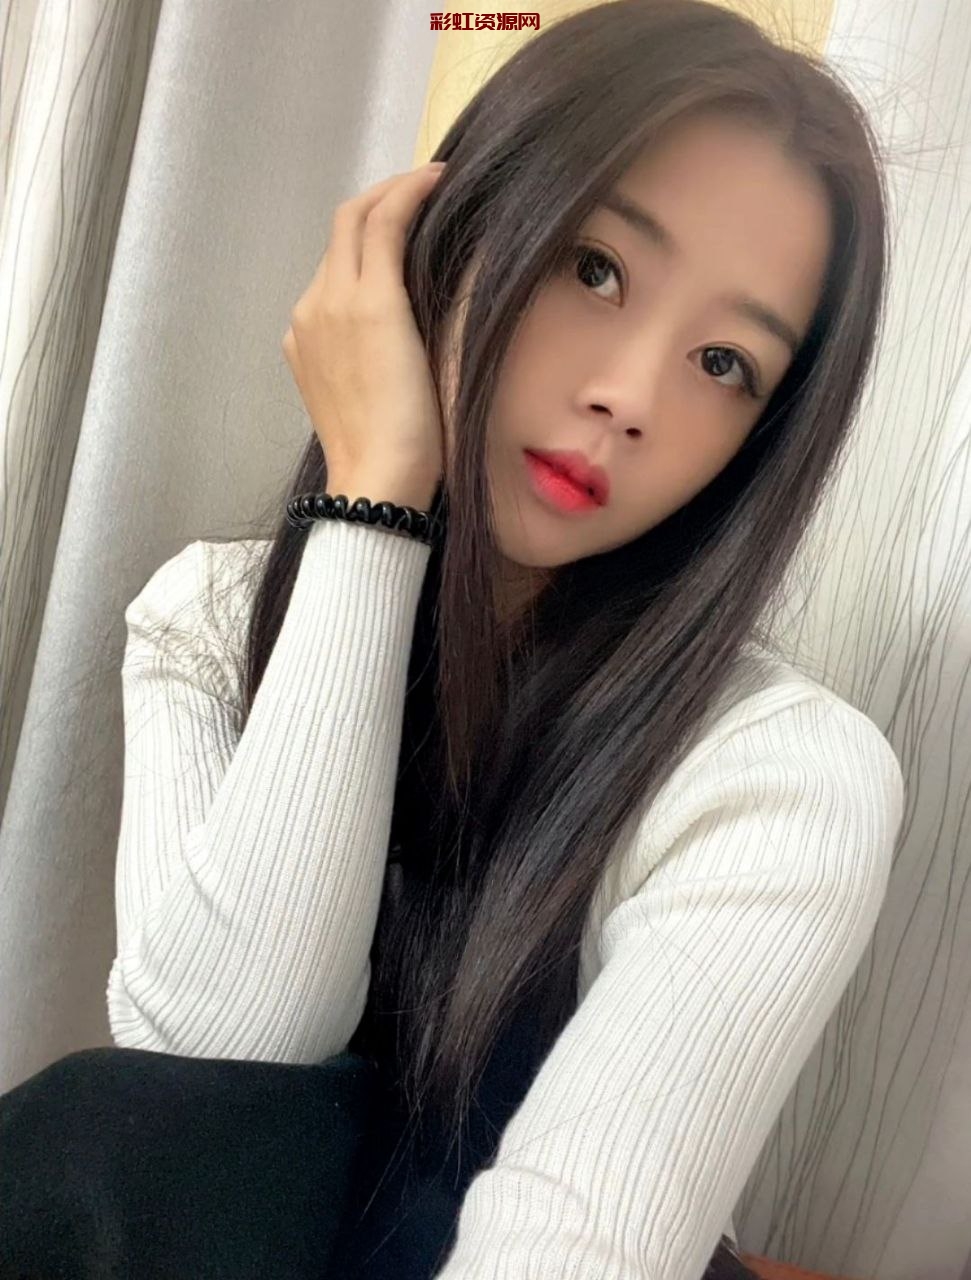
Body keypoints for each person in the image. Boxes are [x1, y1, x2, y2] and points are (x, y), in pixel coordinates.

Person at [0, 1, 905, 1277]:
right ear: (452, 231)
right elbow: (208, 1085)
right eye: (593, 267)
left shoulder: (776, 771)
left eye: (722, 362)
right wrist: (376, 498)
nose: (627, 397)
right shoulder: (204, 621)